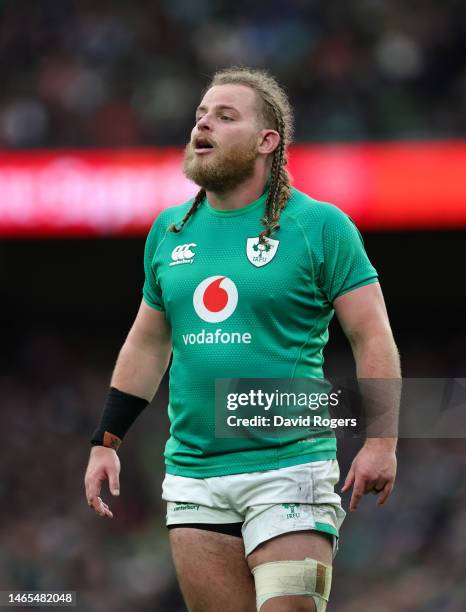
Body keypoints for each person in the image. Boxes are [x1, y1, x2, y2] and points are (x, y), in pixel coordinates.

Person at [84, 67, 400, 612]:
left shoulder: (320, 226)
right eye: (201, 114)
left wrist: (382, 442)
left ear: (266, 141)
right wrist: (105, 441)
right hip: (194, 476)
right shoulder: (170, 230)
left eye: (225, 116)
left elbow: (371, 334)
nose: (203, 123)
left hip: (291, 468)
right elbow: (147, 344)